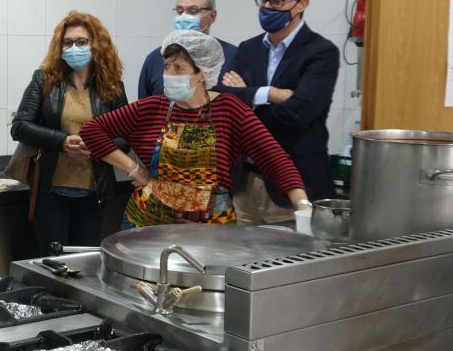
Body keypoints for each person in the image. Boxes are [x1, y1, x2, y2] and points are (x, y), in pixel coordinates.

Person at [79, 30, 311, 228]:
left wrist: (302, 206)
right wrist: (135, 171)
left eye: (179, 68)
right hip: (148, 222)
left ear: (203, 73)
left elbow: (275, 159)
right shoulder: (153, 107)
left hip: (209, 228)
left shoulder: (229, 109)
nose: (169, 75)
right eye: (167, 67)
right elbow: (92, 131)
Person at [216, 0, 338, 224]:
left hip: (293, 184)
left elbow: (299, 113)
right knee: (245, 259)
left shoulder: (321, 52)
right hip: (246, 182)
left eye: (278, 1)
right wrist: (270, 94)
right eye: (264, 0)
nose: (268, 7)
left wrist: (247, 100)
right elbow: (222, 99)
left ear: (301, 3)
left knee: (291, 260)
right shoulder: (248, 49)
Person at [11, 11, 130, 256]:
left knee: (84, 266)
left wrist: (96, 146)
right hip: (51, 193)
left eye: (82, 42)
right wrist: (63, 141)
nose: (74, 47)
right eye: (68, 42)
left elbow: (126, 136)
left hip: (94, 193)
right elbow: (20, 126)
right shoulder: (44, 79)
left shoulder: (112, 86)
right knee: (53, 264)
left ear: (96, 45)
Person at [137, 0, 237, 98]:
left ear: (212, 16)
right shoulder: (155, 58)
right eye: (180, 11)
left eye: (193, 11)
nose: (184, 16)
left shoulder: (234, 56)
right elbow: (143, 109)